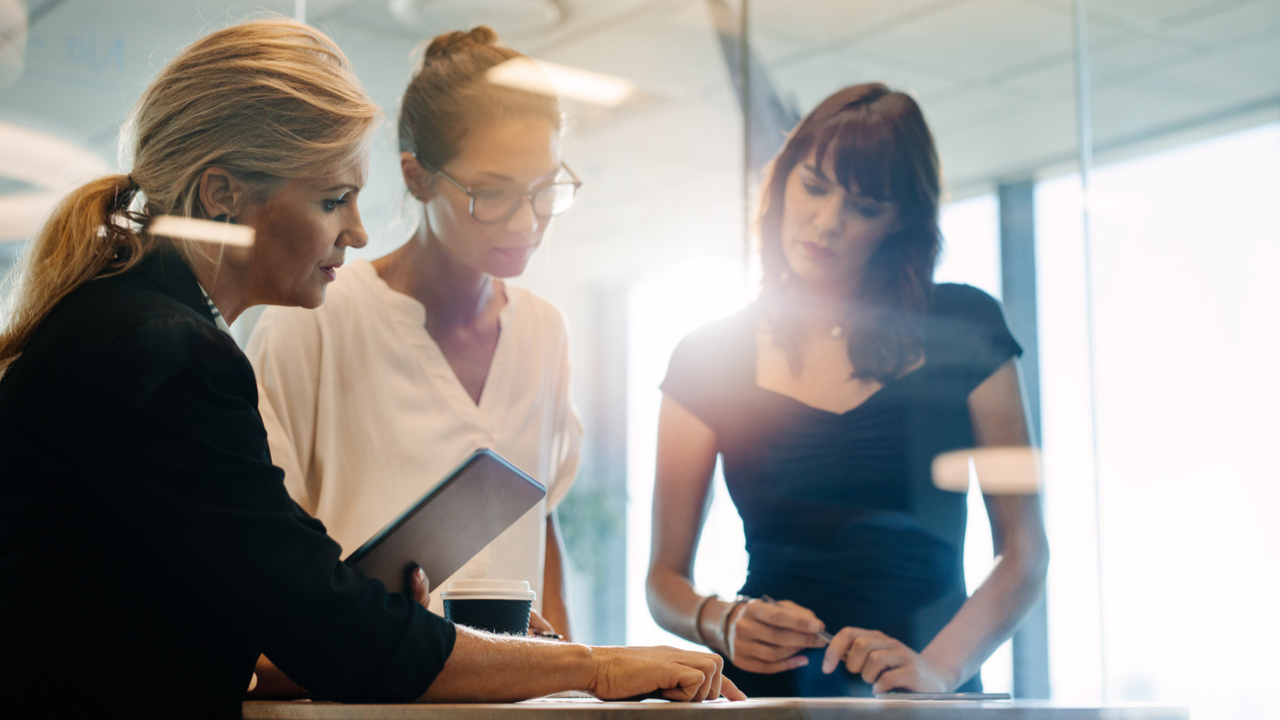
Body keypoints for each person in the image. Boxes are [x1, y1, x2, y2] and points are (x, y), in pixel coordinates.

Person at [0, 19, 738, 720]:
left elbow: (237, 612)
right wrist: (594, 667)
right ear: (221, 194)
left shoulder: (129, 326)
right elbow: (332, 626)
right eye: (332, 200)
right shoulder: (164, 351)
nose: (355, 229)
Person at [646, 83, 1050, 697]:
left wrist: (938, 669)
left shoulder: (968, 329)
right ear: (782, 181)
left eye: (864, 207)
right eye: (814, 186)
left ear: (899, 224)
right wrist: (720, 620)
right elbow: (663, 580)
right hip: (768, 696)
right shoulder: (707, 356)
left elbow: (1024, 552)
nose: (827, 222)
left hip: (927, 692)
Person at [246, 26, 579, 640]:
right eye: (493, 192)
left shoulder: (543, 332)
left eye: (544, 189)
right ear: (418, 177)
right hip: (360, 693)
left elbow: (541, 525)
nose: (528, 221)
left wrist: (574, 676)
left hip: (517, 698)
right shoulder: (315, 318)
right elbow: (265, 546)